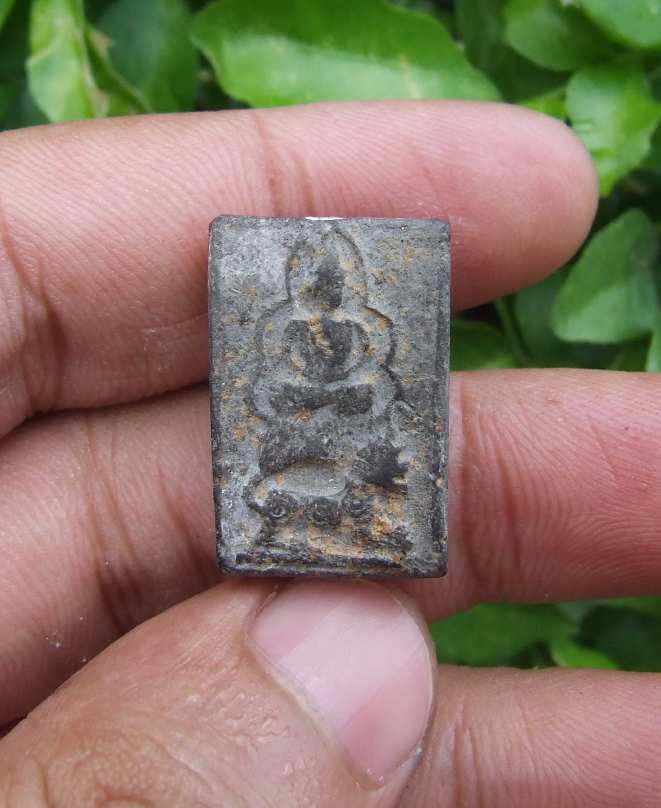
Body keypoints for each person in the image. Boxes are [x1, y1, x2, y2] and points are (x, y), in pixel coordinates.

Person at [0, 101, 657, 807]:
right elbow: (265, 389)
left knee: (366, 439)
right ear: (294, 284)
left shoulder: (367, 324)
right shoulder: (279, 323)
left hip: (347, 419)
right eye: (312, 283)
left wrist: (345, 394)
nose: (323, 294)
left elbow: (378, 386)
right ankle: (298, 505)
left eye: (334, 284)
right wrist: (301, 397)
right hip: (294, 422)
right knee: (284, 441)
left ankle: (340, 504)